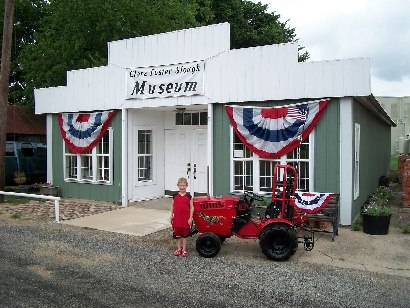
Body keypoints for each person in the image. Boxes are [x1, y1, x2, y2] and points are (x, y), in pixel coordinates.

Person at [170, 177, 194, 257]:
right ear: (178, 186)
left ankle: (184, 249)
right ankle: (178, 249)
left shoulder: (189, 196)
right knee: (178, 235)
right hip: (177, 218)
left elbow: (192, 207)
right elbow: (172, 205)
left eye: (184, 185)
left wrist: (190, 218)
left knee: (185, 235)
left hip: (185, 219)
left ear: (186, 186)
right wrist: (171, 215)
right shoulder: (175, 196)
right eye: (180, 185)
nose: (182, 187)